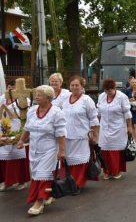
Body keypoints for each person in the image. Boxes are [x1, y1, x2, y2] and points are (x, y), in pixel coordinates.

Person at [17, 85, 66, 215]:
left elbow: (61, 133)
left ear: (48, 98)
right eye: (36, 94)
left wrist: (61, 150)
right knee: (35, 174)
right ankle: (48, 195)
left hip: (49, 149)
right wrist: (22, 140)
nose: (36, 97)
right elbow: (27, 128)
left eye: (39, 95)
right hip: (34, 149)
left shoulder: (57, 112)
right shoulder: (32, 111)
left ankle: (39, 203)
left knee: (42, 175)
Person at [62, 76, 99, 191]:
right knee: (69, 160)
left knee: (80, 161)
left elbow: (93, 118)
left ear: (82, 86)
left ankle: (78, 184)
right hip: (67, 136)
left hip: (81, 136)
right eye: (72, 85)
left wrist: (95, 135)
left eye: (77, 85)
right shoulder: (65, 100)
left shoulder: (86, 100)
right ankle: (70, 182)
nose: (74, 87)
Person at [98, 78, 132, 180]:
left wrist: (129, 127)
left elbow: (127, 114)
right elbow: (98, 113)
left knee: (116, 151)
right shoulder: (101, 97)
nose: (108, 92)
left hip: (118, 128)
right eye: (106, 90)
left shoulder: (122, 97)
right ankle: (107, 171)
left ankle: (116, 171)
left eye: (110, 90)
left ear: (114, 88)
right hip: (104, 127)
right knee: (104, 150)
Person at [0, 81, 30, 192]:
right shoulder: (2, 98)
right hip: (4, 129)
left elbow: (26, 113)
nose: (11, 90)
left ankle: (22, 181)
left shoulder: (23, 99)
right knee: (3, 158)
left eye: (14, 88)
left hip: (18, 129)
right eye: (9, 87)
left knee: (18, 156)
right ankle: (6, 182)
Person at [125, 77, 136, 146]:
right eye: (133, 82)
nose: (134, 84)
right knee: (132, 127)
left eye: (135, 82)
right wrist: (131, 100)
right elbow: (125, 100)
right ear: (130, 83)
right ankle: (134, 142)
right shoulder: (127, 91)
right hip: (130, 110)